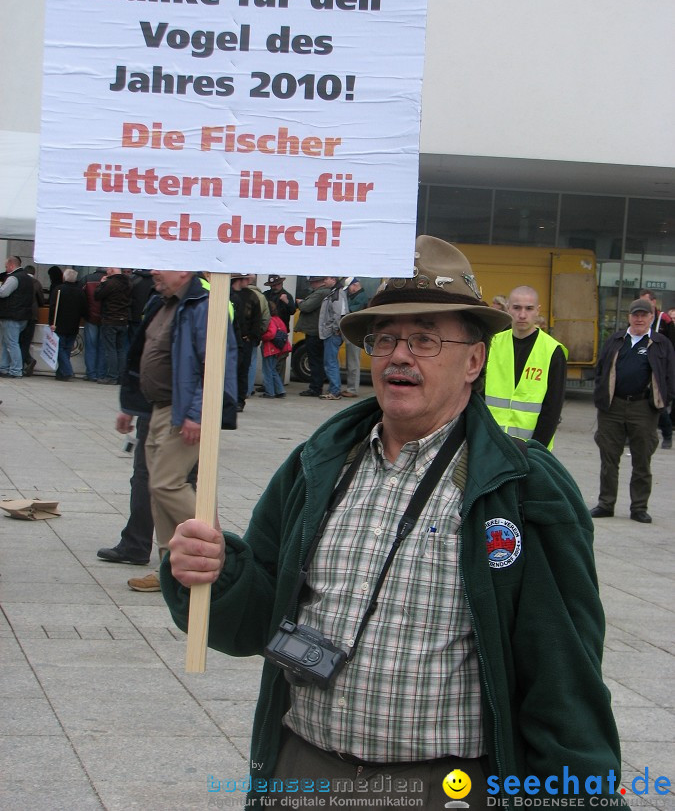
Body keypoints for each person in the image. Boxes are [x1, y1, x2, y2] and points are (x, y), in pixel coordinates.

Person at [162, 236, 625, 809]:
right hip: (303, 772)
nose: (398, 356)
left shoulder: (525, 489)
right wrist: (215, 572)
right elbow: (255, 619)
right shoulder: (319, 463)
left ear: (474, 361)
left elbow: (564, 679)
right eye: (384, 339)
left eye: (425, 338)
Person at [122, 269, 237, 593]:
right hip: (158, 408)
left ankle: (217, 552)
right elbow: (142, 354)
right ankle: (169, 569)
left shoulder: (203, 304)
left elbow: (215, 363)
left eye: (162, 265)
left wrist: (197, 412)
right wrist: (129, 406)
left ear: (183, 269)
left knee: (166, 484)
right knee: (159, 495)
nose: (154, 271)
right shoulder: (163, 302)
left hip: (182, 409)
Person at [590, 297, 675, 524]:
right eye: (635, 314)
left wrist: (664, 401)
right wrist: (601, 396)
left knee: (642, 459)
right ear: (629, 316)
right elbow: (601, 369)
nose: (639, 319)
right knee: (608, 458)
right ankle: (606, 503)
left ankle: (639, 507)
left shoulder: (661, 344)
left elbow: (669, 375)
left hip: (643, 408)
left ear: (651, 317)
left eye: (644, 315)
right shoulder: (616, 340)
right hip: (612, 406)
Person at [485, 285, 567, 449]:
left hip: (531, 449)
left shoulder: (553, 351)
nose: (522, 315)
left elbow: (552, 410)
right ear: (508, 309)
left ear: (537, 310)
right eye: (517, 308)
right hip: (490, 444)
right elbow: (478, 396)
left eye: (529, 309)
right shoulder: (492, 343)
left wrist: (536, 450)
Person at [639, 289, 675, 449]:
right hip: (641, 365)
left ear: (654, 302)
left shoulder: (664, 320)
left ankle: (667, 434)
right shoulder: (637, 319)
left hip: (659, 367)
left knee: (658, 403)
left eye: (646, 301)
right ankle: (630, 435)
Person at [230, 273, 263, 412]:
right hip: (231, 340)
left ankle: (239, 400)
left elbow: (257, 319)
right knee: (231, 371)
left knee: (243, 371)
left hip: (245, 341)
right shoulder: (228, 294)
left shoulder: (252, 296)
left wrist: (252, 337)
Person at [295, 275, 331, 398]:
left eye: (312, 282)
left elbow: (306, 307)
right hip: (317, 331)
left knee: (314, 361)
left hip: (314, 332)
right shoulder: (324, 292)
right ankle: (317, 386)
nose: (310, 284)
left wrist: (300, 302)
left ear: (317, 282)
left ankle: (315, 388)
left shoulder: (320, 293)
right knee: (318, 360)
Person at [95, 268, 131, 385]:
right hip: (123, 319)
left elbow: (98, 295)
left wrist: (102, 284)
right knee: (121, 349)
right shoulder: (129, 283)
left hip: (110, 319)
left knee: (110, 349)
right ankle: (121, 376)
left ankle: (112, 376)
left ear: (111, 271)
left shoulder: (110, 283)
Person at [49, 268, 86, 381]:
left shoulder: (59, 289)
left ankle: (67, 370)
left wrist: (51, 323)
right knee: (66, 349)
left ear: (64, 277)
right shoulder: (80, 292)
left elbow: (53, 307)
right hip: (73, 324)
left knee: (60, 349)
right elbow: (83, 309)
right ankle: (62, 373)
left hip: (59, 324)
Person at [0, 255, 33, 379]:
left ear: (12, 265)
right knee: (7, 342)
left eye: (6, 266)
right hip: (23, 316)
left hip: (11, 315)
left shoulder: (13, 278)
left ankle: (15, 370)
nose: (5, 268)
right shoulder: (27, 278)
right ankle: (3, 367)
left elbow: (3, 293)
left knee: (11, 344)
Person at [318, 276, 348, 400]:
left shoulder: (337, 294)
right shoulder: (334, 293)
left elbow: (338, 314)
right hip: (331, 332)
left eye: (326, 279)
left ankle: (335, 391)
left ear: (334, 280)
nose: (324, 281)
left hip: (331, 333)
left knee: (330, 363)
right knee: (330, 362)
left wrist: (335, 329)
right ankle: (333, 389)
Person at [263, 275, 297, 385]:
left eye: (276, 284)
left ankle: (278, 384)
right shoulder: (266, 295)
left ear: (281, 284)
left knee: (280, 359)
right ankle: (269, 384)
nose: (274, 287)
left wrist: (286, 301)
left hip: (281, 331)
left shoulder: (287, 295)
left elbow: (292, 310)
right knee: (269, 358)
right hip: (270, 329)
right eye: (273, 285)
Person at [341, 277, 368, 398]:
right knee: (351, 361)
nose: (349, 291)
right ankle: (350, 388)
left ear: (355, 285)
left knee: (353, 362)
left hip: (355, 332)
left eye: (350, 288)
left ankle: (352, 389)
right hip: (352, 331)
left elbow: (349, 312)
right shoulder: (356, 296)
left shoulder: (361, 297)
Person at [80, 267, 107, 382]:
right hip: (106, 318)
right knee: (102, 347)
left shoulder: (87, 279)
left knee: (91, 346)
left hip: (91, 317)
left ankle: (91, 373)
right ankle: (101, 373)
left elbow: (81, 296)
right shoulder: (109, 280)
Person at [246, 274, 271, 397]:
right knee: (251, 362)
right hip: (254, 335)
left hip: (239, 335)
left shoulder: (235, 293)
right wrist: (260, 331)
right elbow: (266, 318)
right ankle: (249, 389)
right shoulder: (261, 297)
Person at [259, 300, 289, 398]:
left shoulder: (270, 320)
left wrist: (262, 336)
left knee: (267, 370)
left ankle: (269, 392)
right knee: (273, 370)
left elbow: (271, 334)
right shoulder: (278, 319)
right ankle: (280, 390)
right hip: (278, 348)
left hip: (269, 347)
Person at [19, 264, 45, 376]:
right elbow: (41, 301)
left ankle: (26, 362)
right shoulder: (37, 283)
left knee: (19, 341)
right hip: (33, 316)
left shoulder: (20, 280)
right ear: (34, 273)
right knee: (26, 342)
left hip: (21, 315)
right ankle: (26, 361)